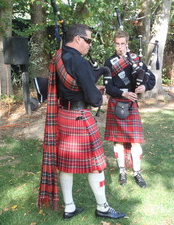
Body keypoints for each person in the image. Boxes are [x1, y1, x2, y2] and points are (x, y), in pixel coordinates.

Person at [37, 24, 125, 220]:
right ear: (77, 39)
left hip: (62, 116)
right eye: (88, 40)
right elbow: (94, 99)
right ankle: (102, 207)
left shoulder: (59, 56)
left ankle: (69, 207)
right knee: (96, 165)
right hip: (80, 118)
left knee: (65, 165)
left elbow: (74, 83)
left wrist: (91, 85)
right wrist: (99, 97)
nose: (89, 45)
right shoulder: (80, 62)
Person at [104, 30, 156, 188]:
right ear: (114, 44)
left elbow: (151, 79)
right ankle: (122, 171)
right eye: (117, 44)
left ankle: (137, 172)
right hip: (117, 102)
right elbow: (108, 87)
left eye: (122, 44)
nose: (120, 47)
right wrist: (123, 93)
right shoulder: (109, 62)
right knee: (118, 141)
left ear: (127, 44)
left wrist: (144, 87)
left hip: (131, 104)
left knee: (135, 141)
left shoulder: (135, 59)